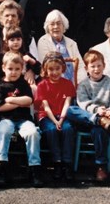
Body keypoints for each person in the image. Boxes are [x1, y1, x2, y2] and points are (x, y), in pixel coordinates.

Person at [0, 52, 44, 188]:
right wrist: (20, 102)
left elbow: (29, 100)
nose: (14, 72)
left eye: (17, 69)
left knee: (32, 133)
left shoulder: (23, 84)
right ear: (4, 68)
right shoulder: (0, 86)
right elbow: (0, 107)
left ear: (22, 69)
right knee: (4, 132)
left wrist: (11, 99)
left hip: (23, 119)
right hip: (6, 119)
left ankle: (35, 168)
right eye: (10, 69)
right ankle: (1, 166)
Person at [75, 50, 110, 182]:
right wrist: (97, 110)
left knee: (99, 130)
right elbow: (82, 103)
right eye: (92, 66)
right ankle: (98, 120)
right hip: (90, 117)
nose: (96, 69)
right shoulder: (83, 84)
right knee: (70, 110)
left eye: (99, 66)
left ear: (104, 66)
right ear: (86, 68)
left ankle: (101, 166)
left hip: (107, 123)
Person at [34, 52, 76, 181]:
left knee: (68, 129)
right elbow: (45, 107)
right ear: (45, 70)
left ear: (62, 68)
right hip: (47, 116)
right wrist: (55, 121)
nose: (55, 72)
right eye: (51, 69)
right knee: (51, 130)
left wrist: (61, 120)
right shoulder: (42, 85)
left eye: (57, 69)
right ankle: (57, 162)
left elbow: (67, 103)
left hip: (63, 115)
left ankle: (67, 163)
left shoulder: (68, 84)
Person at [37, 9, 84, 87]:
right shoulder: (43, 41)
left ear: (64, 26)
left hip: (75, 83)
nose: (56, 27)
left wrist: (77, 83)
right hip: (55, 84)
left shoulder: (72, 43)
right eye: (52, 24)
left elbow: (81, 66)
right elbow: (45, 66)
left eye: (59, 23)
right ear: (47, 27)